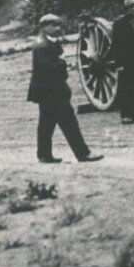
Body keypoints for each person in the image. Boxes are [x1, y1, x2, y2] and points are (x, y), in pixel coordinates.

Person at [28, 14, 101, 164]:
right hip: (53, 91)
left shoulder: (43, 42)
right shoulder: (43, 46)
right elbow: (48, 67)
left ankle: (44, 155)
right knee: (69, 123)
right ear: (43, 27)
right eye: (53, 26)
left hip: (46, 92)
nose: (57, 29)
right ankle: (83, 154)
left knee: (46, 124)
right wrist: (64, 64)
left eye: (59, 26)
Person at [110, 0, 134, 124]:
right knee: (126, 88)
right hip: (127, 62)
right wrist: (119, 64)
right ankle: (126, 115)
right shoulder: (119, 24)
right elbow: (116, 45)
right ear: (126, 10)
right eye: (132, 7)